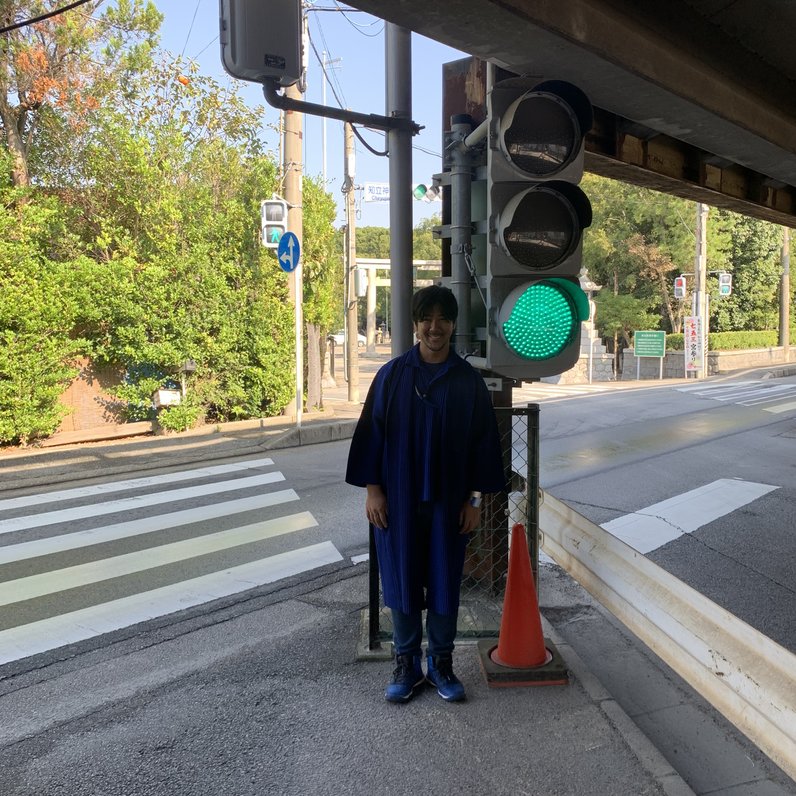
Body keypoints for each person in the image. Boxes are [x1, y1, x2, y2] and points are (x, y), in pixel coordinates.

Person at [346, 285, 505, 703]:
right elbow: (371, 436)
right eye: (426, 319)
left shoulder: (468, 382)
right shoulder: (392, 376)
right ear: (415, 324)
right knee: (400, 578)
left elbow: (481, 447)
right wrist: (373, 491)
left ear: (454, 324)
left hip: (449, 503)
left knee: (444, 577)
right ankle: (406, 663)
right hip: (396, 500)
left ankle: (441, 663)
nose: (434, 327)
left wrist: (474, 502)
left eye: (443, 319)